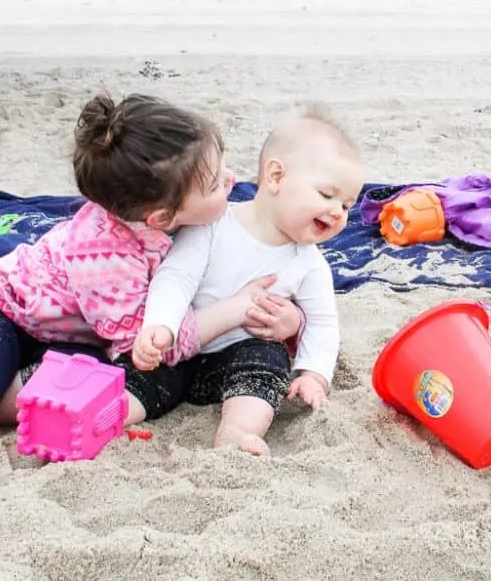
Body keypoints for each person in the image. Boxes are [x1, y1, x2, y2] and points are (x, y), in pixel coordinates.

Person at [0, 92, 300, 435]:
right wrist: (237, 309)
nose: (233, 180)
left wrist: (290, 320)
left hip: (72, 333)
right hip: (1, 314)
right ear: (161, 218)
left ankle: (17, 390)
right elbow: (149, 346)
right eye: (216, 183)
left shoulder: (182, 219)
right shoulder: (103, 254)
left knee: (97, 378)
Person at [133, 104, 364, 457]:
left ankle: (237, 432)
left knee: (268, 362)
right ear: (275, 177)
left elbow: (323, 323)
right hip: (182, 349)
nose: (337, 212)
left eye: (347, 205)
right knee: (142, 371)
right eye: (327, 195)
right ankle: (105, 415)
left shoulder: (309, 263)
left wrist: (313, 375)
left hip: (240, 357)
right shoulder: (214, 225)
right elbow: (175, 276)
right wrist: (159, 325)